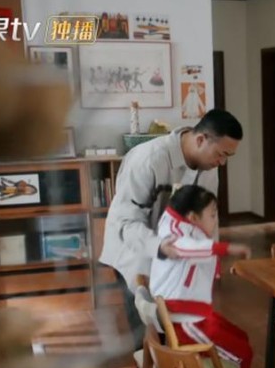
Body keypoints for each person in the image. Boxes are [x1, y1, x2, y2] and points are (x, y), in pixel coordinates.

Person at [99, 109, 242, 350]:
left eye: (228, 156)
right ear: (200, 140)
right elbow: (127, 221)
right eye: (221, 154)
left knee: (176, 326)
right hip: (133, 251)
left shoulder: (209, 167)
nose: (222, 162)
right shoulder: (149, 159)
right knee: (146, 329)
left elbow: (209, 217)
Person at [149, 185, 253, 368]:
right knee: (243, 354)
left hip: (192, 313)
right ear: (193, 217)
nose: (215, 221)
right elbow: (186, 247)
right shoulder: (175, 235)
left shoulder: (181, 225)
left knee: (242, 337)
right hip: (185, 322)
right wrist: (230, 248)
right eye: (212, 215)